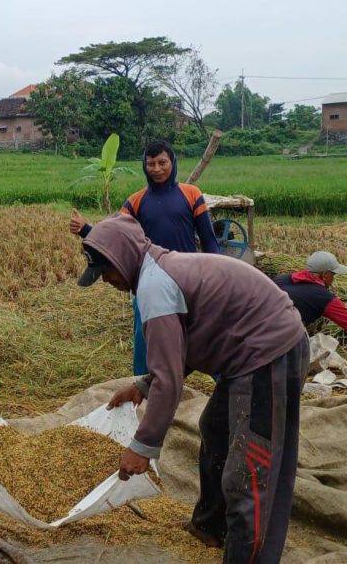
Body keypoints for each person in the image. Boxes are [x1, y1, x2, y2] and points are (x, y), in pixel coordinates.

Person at [80, 214, 308, 564]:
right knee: (215, 428)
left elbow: (171, 380)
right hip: (244, 351)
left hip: (269, 352)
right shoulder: (156, 270)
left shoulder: (155, 286)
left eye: (106, 270)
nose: (107, 280)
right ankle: (209, 526)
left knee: (248, 470)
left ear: (123, 255)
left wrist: (143, 447)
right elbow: (178, 351)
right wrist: (143, 385)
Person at [70, 140, 221, 374]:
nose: (157, 169)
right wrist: (86, 229)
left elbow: (209, 240)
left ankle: (228, 385)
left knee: (205, 335)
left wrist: (216, 273)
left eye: (162, 162)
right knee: (145, 337)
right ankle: (141, 388)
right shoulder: (136, 201)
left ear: (173, 163)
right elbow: (114, 235)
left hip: (188, 278)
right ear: (144, 165)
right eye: (151, 164)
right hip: (148, 281)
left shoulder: (192, 194)